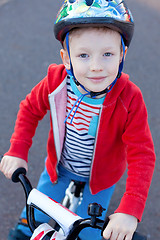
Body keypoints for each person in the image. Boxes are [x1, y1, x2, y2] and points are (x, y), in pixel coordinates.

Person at [0, 0, 156, 240]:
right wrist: (17, 150)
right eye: (83, 55)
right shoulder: (56, 82)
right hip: (60, 168)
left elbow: (142, 154)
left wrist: (130, 209)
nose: (95, 67)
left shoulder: (130, 98)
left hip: (101, 179)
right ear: (66, 58)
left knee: (89, 234)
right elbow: (30, 109)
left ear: (122, 54)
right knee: (31, 222)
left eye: (107, 54)